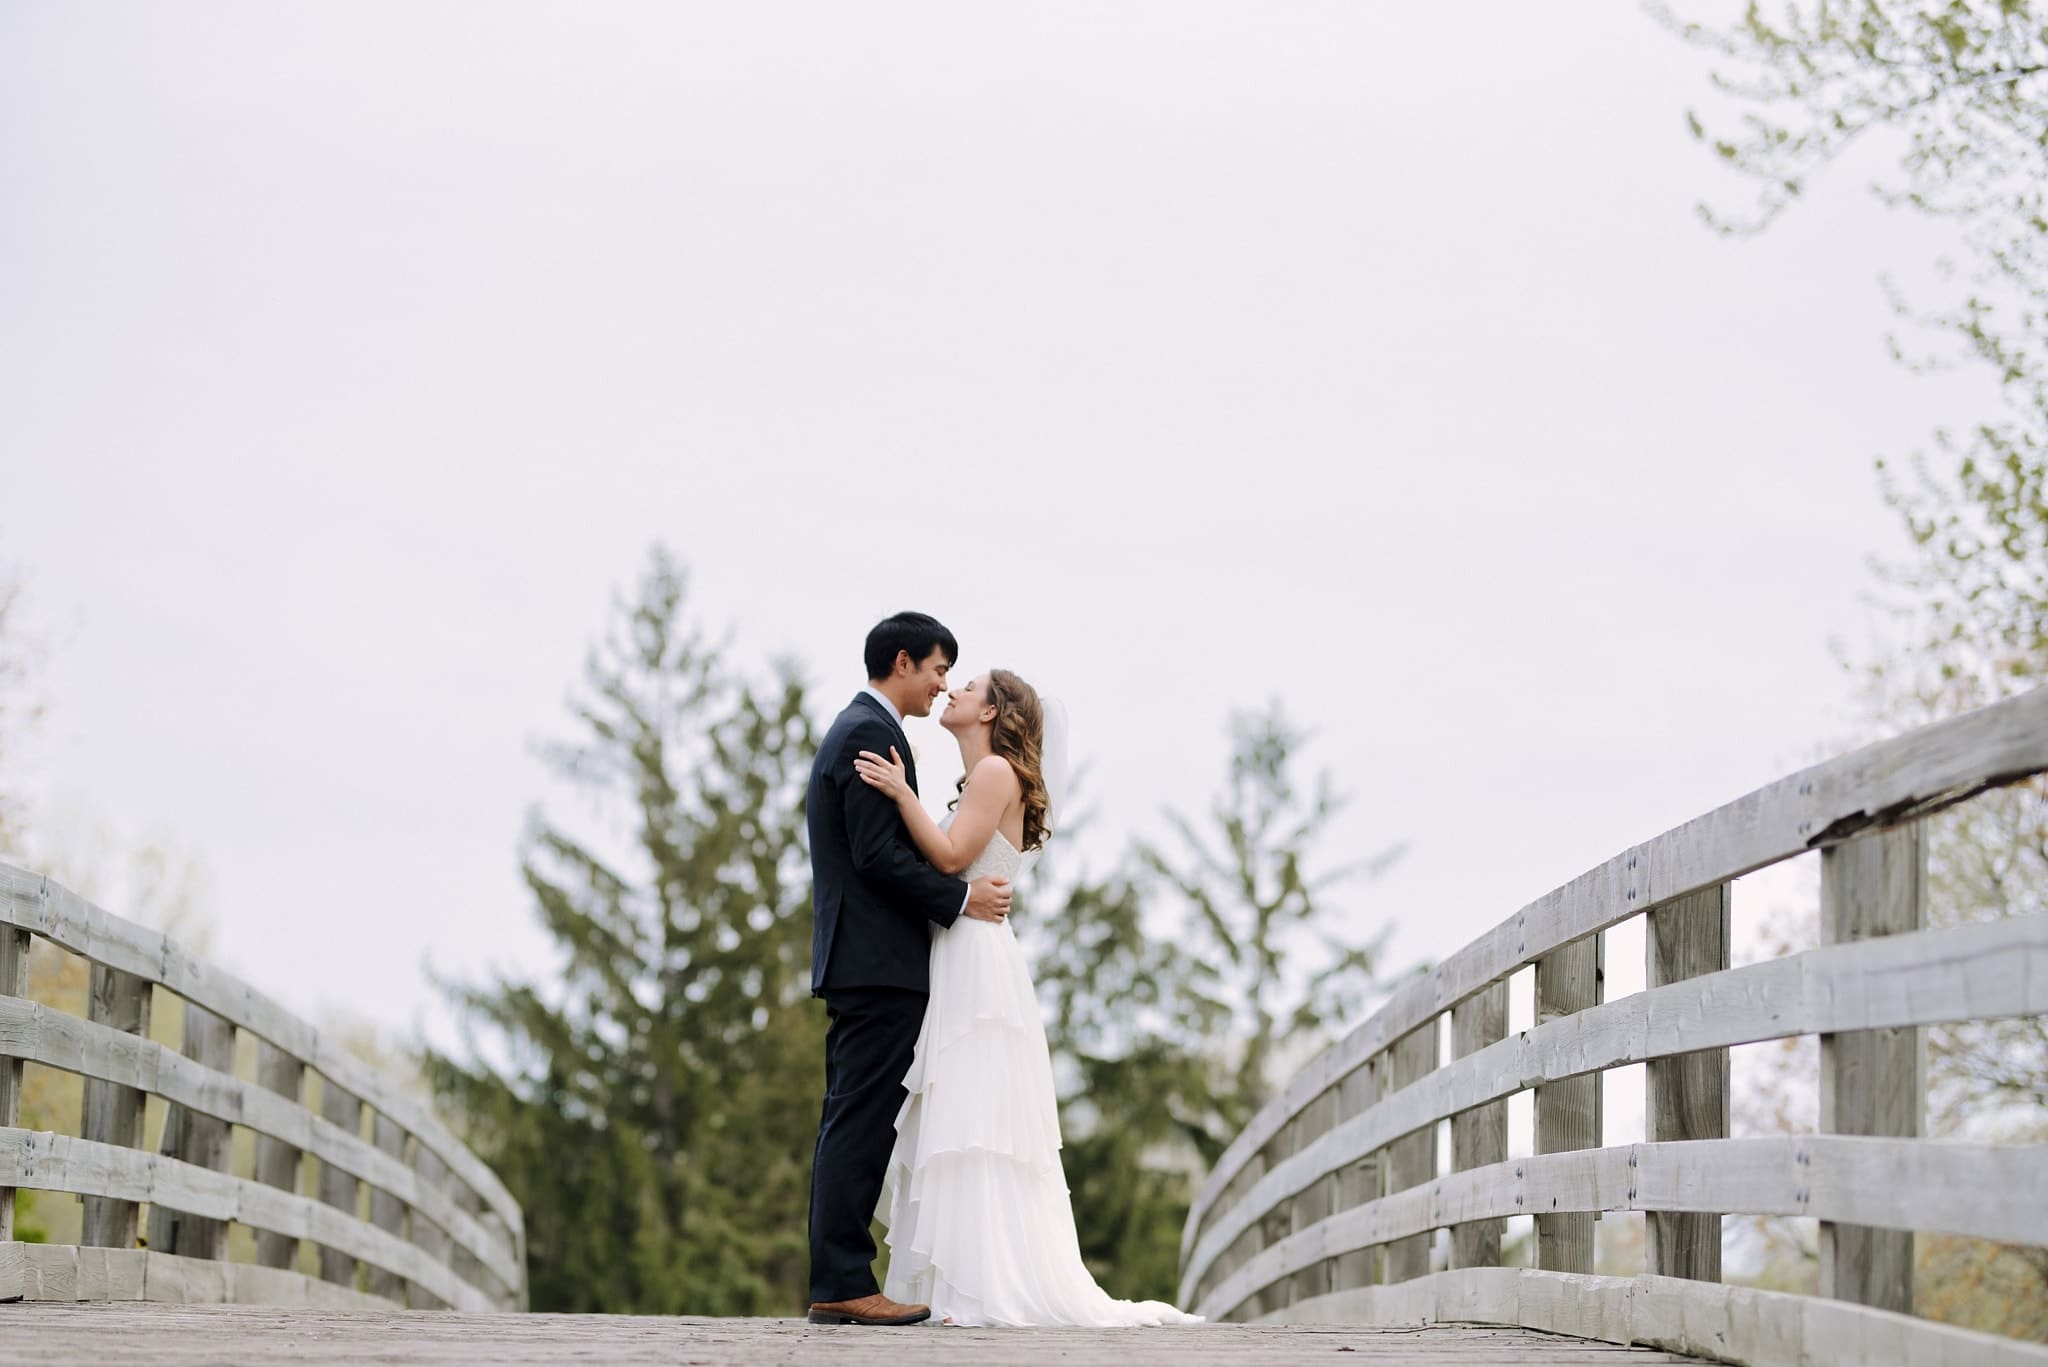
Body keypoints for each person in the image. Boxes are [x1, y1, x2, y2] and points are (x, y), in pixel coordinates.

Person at [853, 667, 1201, 1328]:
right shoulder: (982, 778)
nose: (953, 690)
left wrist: (899, 793)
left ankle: (971, 1287)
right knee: (962, 1112)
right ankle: (954, 1281)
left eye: (969, 686)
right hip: (964, 949)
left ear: (991, 711)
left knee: (969, 1115)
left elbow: (949, 858)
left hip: (973, 959)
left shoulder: (994, 772)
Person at [804, 612, 1015, 1328]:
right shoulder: (869, 732)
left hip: (865, 960)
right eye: (937, 669)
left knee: (853, 1116)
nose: (941, 685)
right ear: (903, 662)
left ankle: (838, 1277)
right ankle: (842, 1280)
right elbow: (877, 856)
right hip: (876, 963)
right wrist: (960, 899)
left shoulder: (863, 727)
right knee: (859, 1121)